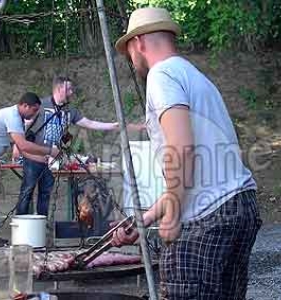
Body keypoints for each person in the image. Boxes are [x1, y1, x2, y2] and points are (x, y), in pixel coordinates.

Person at [112, 7, 262, 299]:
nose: (131, 60)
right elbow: (197, 171)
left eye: (128, 51)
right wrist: (145, 218)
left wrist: (173, 215)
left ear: (138, 43)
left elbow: (182, 148)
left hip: (209, 218)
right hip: (239, 206)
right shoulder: (196, 77)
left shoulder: (161, 74)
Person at [13, 76, 119, 216]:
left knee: (45, 194)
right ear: (59, 89)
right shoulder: (41, 105)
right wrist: (17, 145)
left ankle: (41, 224)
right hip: (34, 156)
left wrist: (112, 125)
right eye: (68, 89)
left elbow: (90, 123)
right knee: (27, 190)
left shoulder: (70, 111)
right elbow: (24, 125)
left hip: (51, 158)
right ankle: (21, 224)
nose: (71, 92)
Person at [0, 92, 60, 247]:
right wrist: (50, 151)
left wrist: (42, 160)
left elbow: (22, 150)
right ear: (25, 105)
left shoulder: (15, 117)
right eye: (34, 110)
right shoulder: (13, 117)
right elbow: (23, 145)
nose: (35, 114)